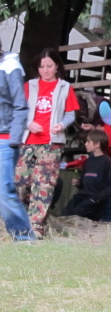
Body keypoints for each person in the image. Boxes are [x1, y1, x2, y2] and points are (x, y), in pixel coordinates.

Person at [15, 48, 80, 238]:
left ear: (57, 66)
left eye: (49, 66)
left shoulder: (65, 87)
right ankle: (18, 220)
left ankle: (36, 226)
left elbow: (70, 114)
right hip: (27, 140)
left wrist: (62, 125)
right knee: (21, 182)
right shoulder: (29, 86)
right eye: (42, 66)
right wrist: (28, 124)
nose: (45, 70)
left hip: (52, 143)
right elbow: (19, 110)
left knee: (44, 184)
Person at [77, 92, 111, 223]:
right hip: (100, 143)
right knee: (97, 179)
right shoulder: (84, 111)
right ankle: (94, 214)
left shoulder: (102, 106)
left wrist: (95, 128)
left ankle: (109, 218)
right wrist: (92, 128)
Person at [0, 44, 34, 241]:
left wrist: (14, 139)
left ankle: (24, 238)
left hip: (4, 139)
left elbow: (20, 106)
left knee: (4, 192)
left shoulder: (10, 66)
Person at [61, 129, 111, 220]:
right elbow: (83, 182)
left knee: (78, 213)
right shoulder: (88, 162)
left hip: (95, 199)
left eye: (88, 141)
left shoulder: (108, 162)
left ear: (97, 144)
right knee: (66, 212)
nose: (86, 144)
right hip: (83, 196)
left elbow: (110, 186)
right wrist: (78, 183)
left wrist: (98, 199)